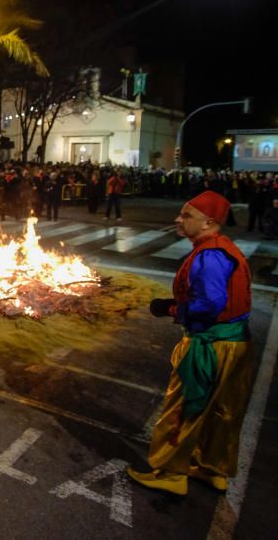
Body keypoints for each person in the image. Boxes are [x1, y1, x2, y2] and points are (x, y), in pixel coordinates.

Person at [128, 191, 254, 495]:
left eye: (186, 215)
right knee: (223, 410)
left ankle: (170, 473)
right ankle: (213, 468)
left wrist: (173, 309)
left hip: (209, 345)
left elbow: (210, 303)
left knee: (183, 408)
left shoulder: (209, 256)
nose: (177, 219)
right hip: (236, 343)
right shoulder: (224, 249)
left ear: (208, 221)